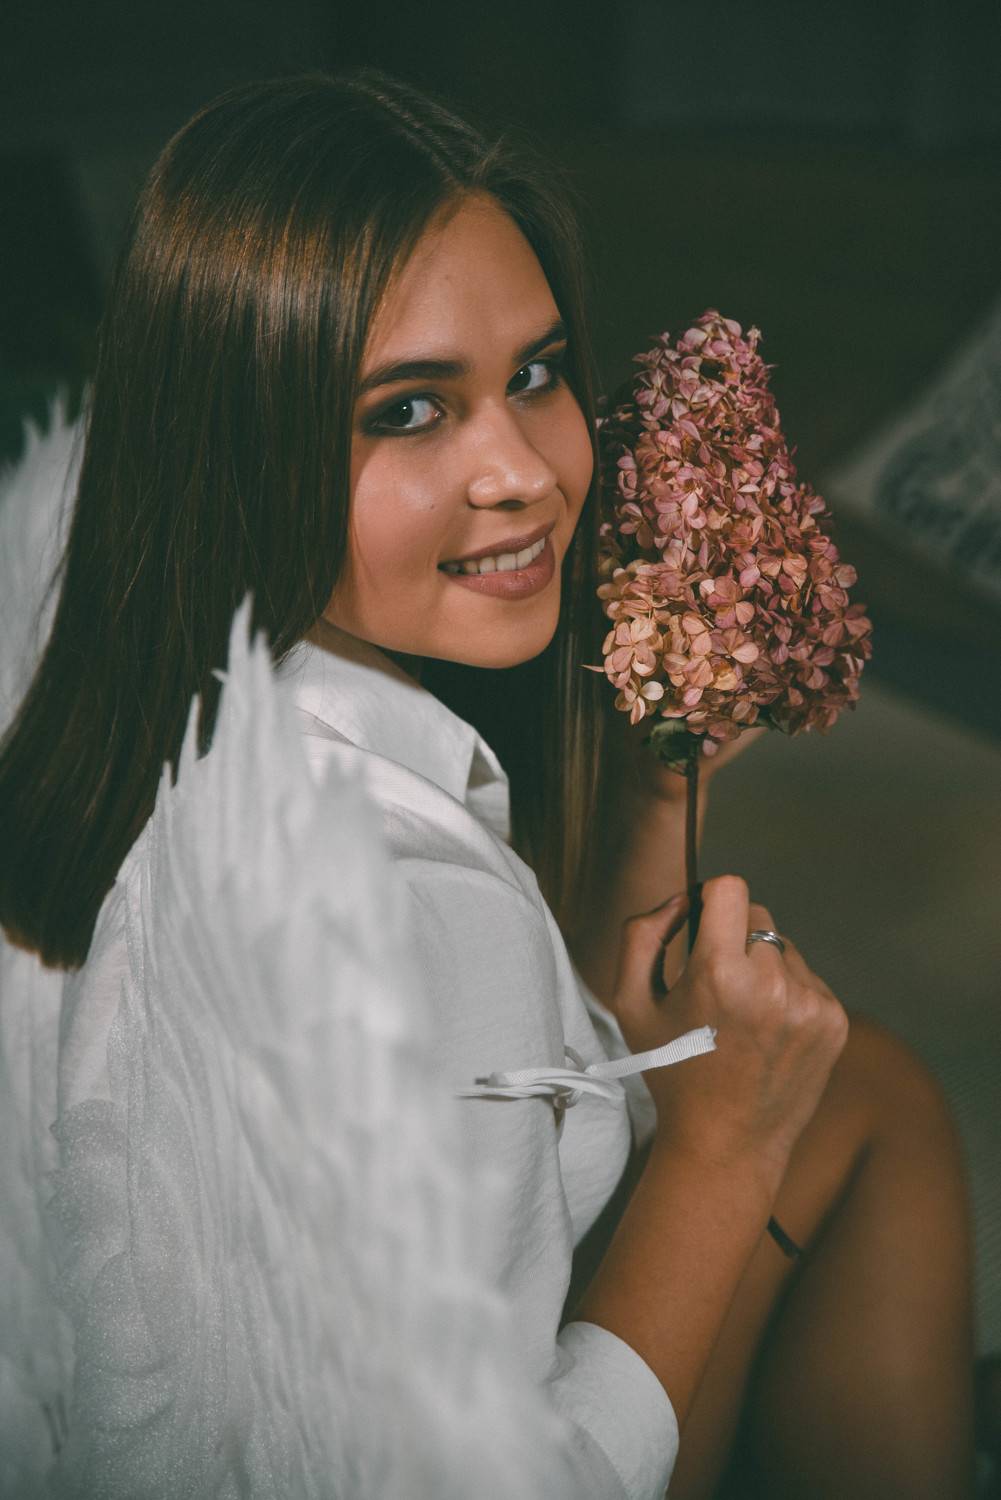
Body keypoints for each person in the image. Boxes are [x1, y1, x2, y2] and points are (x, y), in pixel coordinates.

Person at [0, 70, 976, 1498]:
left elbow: (504, 1089)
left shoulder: (136, 710)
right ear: (243, 438)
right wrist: (724, 1148)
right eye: (407, 411)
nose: (521, 471)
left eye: (532, 374)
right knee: (854, 1109)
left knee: (860, 1087)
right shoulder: (405, 910)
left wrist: (651, 798)